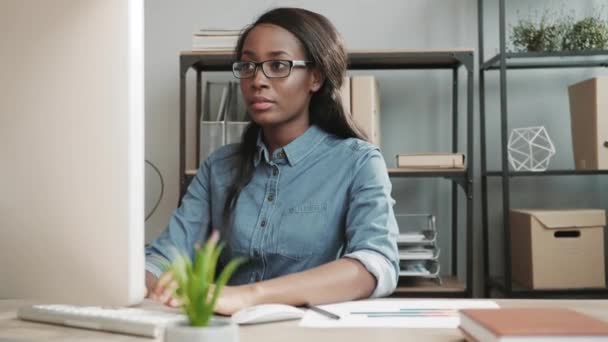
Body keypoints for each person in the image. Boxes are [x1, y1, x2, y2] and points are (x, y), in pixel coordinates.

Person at [145, 7, 399, 315]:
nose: (258, 80)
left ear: (315, 78)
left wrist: (247, 295)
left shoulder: (357, 162)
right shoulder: (218, 167)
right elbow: (164, 256)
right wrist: (152, 280)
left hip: (308, 331)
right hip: (224, 330)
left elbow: (377, 264)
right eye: (248, 66)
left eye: (278, 65)